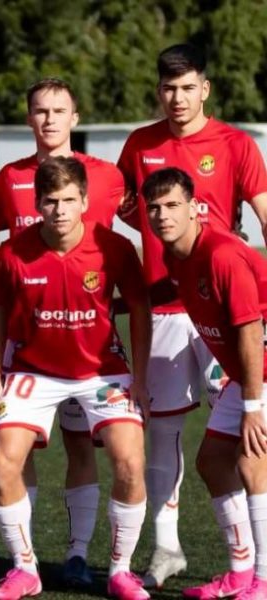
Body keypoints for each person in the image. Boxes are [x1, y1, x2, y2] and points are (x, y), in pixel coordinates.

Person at [0, 77, 126, 585]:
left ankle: (78, 555)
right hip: (25, 341)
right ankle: (25, 561)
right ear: (28, 118)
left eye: (59, 111)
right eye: (40, 111)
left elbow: (152, 224)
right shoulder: (11, 176)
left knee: (81, 447)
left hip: (87, 340)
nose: (49, 119)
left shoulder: (109, 177)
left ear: (75, 118)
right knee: (16, 451)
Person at [117, 43, 267, 589]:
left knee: (251, 441)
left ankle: (258, 573)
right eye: (168, 88)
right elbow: (122, 205)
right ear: (159, 91)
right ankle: (168, 549)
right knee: (167, 433)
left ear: (204, 88)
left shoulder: (235, 143)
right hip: (165, 305)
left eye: (187, 88)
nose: (177, 98)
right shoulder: (139, 144)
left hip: (229, 306)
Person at [0, 157, 151, 600]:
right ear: (37, 203)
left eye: (68, 200)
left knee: (130, 462)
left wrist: (140, 376)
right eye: (50, 201)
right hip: (33, 371)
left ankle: (120, 571)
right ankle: (25, 569)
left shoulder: (115, 248)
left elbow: (139, 307)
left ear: (85, 201)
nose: (59, 210)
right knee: (3, 462)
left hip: (102, 370)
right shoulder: (12, 252)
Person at [145, 167, 267, 600]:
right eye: (154, 208)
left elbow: (250, 331)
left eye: (173, 205)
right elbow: (166, 291)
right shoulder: (177, 256)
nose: (163, 215)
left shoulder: (222, 255)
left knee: (252, 463)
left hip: (261, 369)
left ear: (195, 208)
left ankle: (264, 581)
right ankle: (241, 572)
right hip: (249, 371)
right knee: (213, 461)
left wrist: (252, 406)